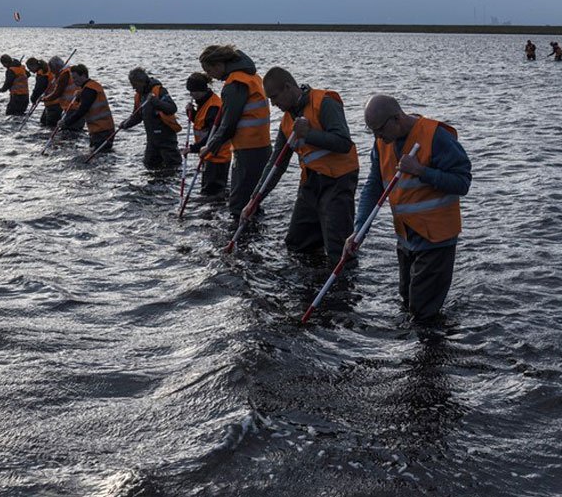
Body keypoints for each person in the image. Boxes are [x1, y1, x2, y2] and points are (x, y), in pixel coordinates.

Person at [347, 94, 471, 322]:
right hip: (406, 238)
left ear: (396, 119)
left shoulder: (436, 137)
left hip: (436, 239)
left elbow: (462, 183)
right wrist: (360, 228)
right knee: (407, 301)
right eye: (372, 131)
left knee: (422, 311)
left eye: (380, 130)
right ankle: (419, 350)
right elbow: (373, 186)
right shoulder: (382, 142)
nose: (377, 137)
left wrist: (422, 171)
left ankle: (432, 353)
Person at [260, 66, 360, 258]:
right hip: (310, 182)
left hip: (337, 181)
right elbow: (276, 164)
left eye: (274, 97)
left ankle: (341, 284)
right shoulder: (287, 121)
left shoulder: (324, 102)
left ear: (288, 87)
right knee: (297, 243)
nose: (273, 104)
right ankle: (308, 284)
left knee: (338, 249)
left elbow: (344, 143)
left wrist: (309, 134)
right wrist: (256, 199)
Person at [198, 45, 272, 220]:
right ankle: (255, 236)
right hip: (261, 145)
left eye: (209, 70)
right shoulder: (251, 76)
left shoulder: (235, 84)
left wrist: (210, 147)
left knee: (239, 203)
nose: (210, 76)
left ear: (218, 65)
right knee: (252, 198)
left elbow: (228, 125)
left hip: (248, 148)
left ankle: (240, 239)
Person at [119, 67, 182, 170]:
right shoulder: (139, 96)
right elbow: (137, 116)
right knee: (149, 165)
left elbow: (172, 108)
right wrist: (126, 124)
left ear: (142, 82)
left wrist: (156, 102)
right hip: (152, 140)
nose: (133, 88)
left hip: (166, 139)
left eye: (134, 85)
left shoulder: (159, 91)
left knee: (173, 167)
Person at [185, 72, 231, 196]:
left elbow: (212, 134)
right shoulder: (204, 102)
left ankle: (213, 213)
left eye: (193, 92)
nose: (191, 95)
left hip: (217, 156)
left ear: (201, 90)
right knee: (209, 191)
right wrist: (191, 113)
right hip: (208, 154)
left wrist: (192, 148)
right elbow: (202, 124)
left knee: (212, 192)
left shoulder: (213, 107)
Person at [57, 64, 115, 152]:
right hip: (101, 128)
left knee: (99, 154)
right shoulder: (91, 86)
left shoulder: (89, 90)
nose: (74, 80)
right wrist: (80, 96)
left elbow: (82, 110)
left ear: (83, 75)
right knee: (99, 154)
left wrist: (66, 122)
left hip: (101, 129)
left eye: (75, 78)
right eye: (72, 78)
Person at [43, 55, 83, 130]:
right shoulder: (70, 70)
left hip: (72, 107)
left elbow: (57, 93)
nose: (51, 71)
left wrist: (45, 99)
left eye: (52, 69)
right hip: (78, 106)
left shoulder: (64, 75)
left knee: (68, 131)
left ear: (57, 67)